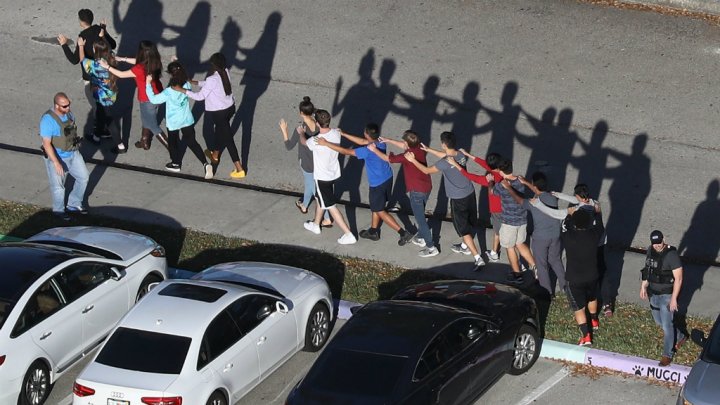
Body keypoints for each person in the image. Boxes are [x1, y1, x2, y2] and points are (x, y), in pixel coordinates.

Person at [317, 123, 414, 246]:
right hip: (387, 178)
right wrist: (343, 134)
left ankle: (403, 233)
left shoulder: (366, 150)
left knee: (379, 210)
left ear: (366, 133)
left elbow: (346, 151)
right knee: (376, 206)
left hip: (377, 183)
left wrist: (326, 144)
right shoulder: (380, 141)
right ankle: (373, 231)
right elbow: (363, 141)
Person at [405, 131, 485, 269]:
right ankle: (465, 246)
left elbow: (426, 170)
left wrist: (413, 160)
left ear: (443, 144)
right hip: (470, 193)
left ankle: (477, 258)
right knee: (469, 221)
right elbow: (446, 156)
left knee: (462, 229)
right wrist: (429, 150)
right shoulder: (460, 154)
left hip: (457, 198)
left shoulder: (444, 163)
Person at [530, 184, 611, 315]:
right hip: (600, 243)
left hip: (586, 246)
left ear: (578, 196)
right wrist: (559, 195)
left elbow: (555, 214)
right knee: (602, 270)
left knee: (584, 272)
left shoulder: (577, 211)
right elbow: (577, 200)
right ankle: (606, 303)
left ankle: (584, 301)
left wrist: (538, 204)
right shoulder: (594, 203)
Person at [367, 130, 437, 257]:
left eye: (404, 142)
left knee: (420, 220)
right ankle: (420, 237)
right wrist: (389, 140)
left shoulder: (407, 156)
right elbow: (404, 145)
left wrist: (373, 149)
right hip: (426, 186)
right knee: (420, 213)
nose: (402, 144)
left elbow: (387, 158)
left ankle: (431, 247)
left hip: (416, 191)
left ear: (407, 143)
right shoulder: (419, 147)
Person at [503, 172, 566, 296]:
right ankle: (565, 287)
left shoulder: (533, 202)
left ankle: (547, 293)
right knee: (555, 260)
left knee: (541, 266)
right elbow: (539, 191)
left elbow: (519, 200)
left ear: (534, 185)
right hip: (555, 235)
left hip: (541, 238)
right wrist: (526, 182)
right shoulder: (552, 197)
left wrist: (508, 187)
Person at [146, 61, 212, 178]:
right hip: (186, 119)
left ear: (171, 75)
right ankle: (205, 163)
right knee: (192, 142)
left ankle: (176, 163)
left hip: (173, 121)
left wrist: (148, 84)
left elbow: (154, 100)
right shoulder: (187, 84)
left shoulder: (169, 91)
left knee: (173, 142)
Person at [185, 53, 245, 179]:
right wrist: (194, 82)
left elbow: (200, 96)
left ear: (213, 65)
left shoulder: (212, 78)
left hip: (219, 113)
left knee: (228, 140)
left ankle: (239, 169)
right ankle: (215, 155)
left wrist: (184, 91)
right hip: (230, 108)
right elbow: (209, 84)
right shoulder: (224, 72)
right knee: (220, 132)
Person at [57, 8, 116, 135]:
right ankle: (102, 125)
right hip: (104, 73)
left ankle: (103, 130)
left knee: (97, 106)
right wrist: (104, 30)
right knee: (101, 104)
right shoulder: (99, 30)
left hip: (90, 76)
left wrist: (64, 44)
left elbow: (75, 60)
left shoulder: (82, 37)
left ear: (81, 22)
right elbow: (113, 44)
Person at [100, 40, 168, 150]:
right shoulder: (155, 61)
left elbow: (121, 75)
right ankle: (144, 141)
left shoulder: (138, 69)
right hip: (158, 93)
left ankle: (172, 149)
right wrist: (123, 59)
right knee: (147, 119)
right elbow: (139, 61)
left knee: (152, 125)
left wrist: (107, 67)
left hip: (147, 99)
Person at [303, 109, 356, 245]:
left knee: (330, 205)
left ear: (317, 123)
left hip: (322, 177)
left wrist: (301, 133)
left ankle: (348, 233)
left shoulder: (315, 140)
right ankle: (316, 224)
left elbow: (305, 143)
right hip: (332, 174)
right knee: (321, 199)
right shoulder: (336, 133)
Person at [279, 97, 331, 226]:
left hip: (307, 164)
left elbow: (289, 146)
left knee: (315, 191)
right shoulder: (319, 124)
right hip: (319, 162)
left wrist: (284, 131)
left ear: (301, 113)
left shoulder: (301, 129)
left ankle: (327, 217)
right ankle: (304, 205)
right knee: (309, 185)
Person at [39, 93, 89, 220]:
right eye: (65, 106)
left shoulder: (69, 114)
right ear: (57, 105)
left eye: (69, 105)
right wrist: (56, 162)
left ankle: (74, 203)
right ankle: (59, 211)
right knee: (58, 187)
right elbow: (46, 143)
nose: (68, 108)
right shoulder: (48, 120)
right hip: (57, 156)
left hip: (73, 153)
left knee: (83, 178)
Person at [640, 230, 686, 366]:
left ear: (663, 239)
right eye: (654, 244)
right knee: (659, 322)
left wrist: (674, 299)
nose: (657, 246)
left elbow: (679, 278)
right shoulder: (650, 250)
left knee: (667, 326)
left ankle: (667, 355)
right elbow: (647, 270)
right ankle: (680, 336)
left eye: (659, 243)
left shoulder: (672, 255)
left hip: (667, 294)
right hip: (653, 293)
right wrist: (643, 286)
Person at [561, 208, 604, 346]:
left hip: (574, 279)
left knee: (578, 308)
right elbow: (600, 226)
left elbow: (564, 227)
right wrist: (598, 213)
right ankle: (594, 320)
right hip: (592, 275)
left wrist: (569, 215)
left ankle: (586, 336)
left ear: (575, 223)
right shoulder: (594, 235)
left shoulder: (568, 237)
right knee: (592, 297)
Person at [453, 149, 503, 262]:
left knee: (497, 231)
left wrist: (455, 164)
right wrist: (468, 155)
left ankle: (494, 253)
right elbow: (484, 164)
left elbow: (470, 176)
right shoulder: (502, 172)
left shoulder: (489, 179)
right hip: (506, 206)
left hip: (497, 210)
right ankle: (493, 251)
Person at [78, 37, 125, 154]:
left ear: (96, 50)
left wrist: (80, 46)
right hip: (111, 93)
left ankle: (120, 145)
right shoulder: (111, 58)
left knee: (108, 120)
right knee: (100, 115)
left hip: (101, 96)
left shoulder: (95, 65)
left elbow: (82, 60)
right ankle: (96, 137)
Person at [493, 158, 537, 283]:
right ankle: (534, 265)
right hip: (522, 219)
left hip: (508, 222)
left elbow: (493, 192)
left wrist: (491, 182)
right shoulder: (520, 180)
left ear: (500, 171)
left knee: (510, 247)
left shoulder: (501, 185)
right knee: (520, 243)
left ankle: (517, 274)